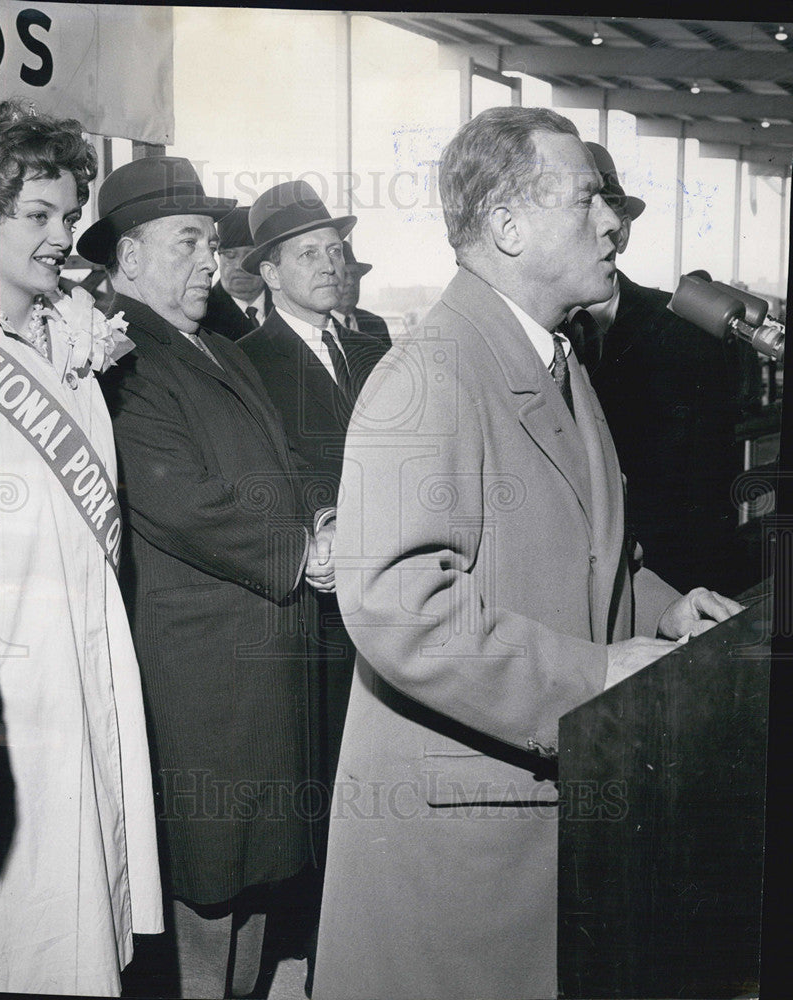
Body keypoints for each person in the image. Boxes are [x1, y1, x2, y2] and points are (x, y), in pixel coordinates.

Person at [311, 107, 743, 1000]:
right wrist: (596, 677)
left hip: (532, 806)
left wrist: (662, 606)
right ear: (505, 225)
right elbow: (398, 605)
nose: (612, 221)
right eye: (585, 198)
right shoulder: (430, 372)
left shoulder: (555, 360)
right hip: (465, 835)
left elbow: (584, 553)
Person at [77, 157, 333, 999]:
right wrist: (302, 554)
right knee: (208, 884)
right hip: (204, 684)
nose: (207, 261)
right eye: (187, 241)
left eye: (212, 244)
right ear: (128, 259)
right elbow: (177, 499)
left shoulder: (218, 347)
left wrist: (320, 521)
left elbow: (285, 464)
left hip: (261, 671)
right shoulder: (118, 360)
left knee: (257, 880)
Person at [0, 99, 163, 996]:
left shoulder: (76, 338)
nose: (61, 237)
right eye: (36, 217)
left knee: (89, 877)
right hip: (9, 672)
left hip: (89, 648)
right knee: (28, 906)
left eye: (68, 215)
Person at [239, 181, 390, 787]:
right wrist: (322, 524)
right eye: (309, 254)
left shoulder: (374, 347)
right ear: (270, 275)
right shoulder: (245, 358)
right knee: (328, 756)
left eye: (335, 251)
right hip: (318, 591)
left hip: (393, 575)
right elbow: (262, 469)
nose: (331, 265)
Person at [571, 142, 742, 594]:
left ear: (623, 230)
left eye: (610, 213)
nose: (602, 227)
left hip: (669, 593)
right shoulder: (534, 335)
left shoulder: (684, 334)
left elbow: (711, 498)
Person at [203, 206, 272, 340]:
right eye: (230, 255)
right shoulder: (203, 315)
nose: (240, 266)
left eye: (249, 255)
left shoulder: (289, 304)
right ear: (218, 257)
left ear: (265, 258)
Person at [331, 242, 392, 350]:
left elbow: (390, 366)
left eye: (355, 275)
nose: (351, 282)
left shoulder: (376, 324)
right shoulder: (319, 325)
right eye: (344, 275)